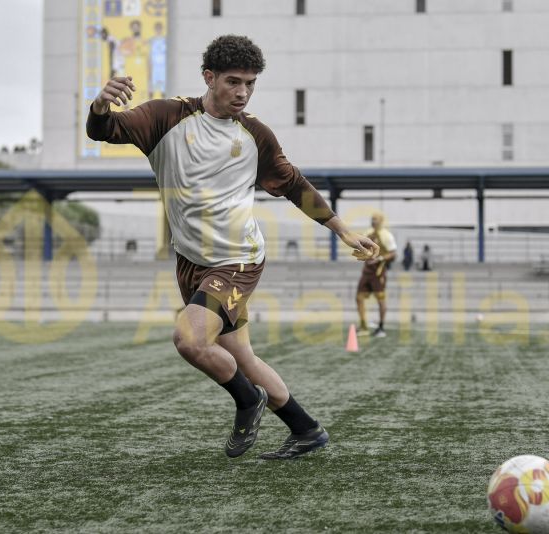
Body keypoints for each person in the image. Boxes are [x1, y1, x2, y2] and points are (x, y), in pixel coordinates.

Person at [86, 35, 379, 460]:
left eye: (251, 84)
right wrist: (99, 106)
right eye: (233, 81)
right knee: (241, 355)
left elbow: (294, 185)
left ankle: (247, 401)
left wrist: (342, 229)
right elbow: (104, 131)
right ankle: (306, 429)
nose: (243, 92)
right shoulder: (165, 117)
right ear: (209, 77)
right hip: (191, 261)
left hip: (238, 260)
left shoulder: (255, 135)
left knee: (189, 339)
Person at [355, 213, 397, 338]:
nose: (373, 221)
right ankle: (363, 326)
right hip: (367, 270)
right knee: (359, 297)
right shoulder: (367, 232)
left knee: (380, 299)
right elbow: (362, 246)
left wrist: (380, 259)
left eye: (376, 219)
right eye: (372, 219)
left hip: (378, 272)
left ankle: (381, 327)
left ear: (381, 221)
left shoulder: (386, 235)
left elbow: (393, 253)